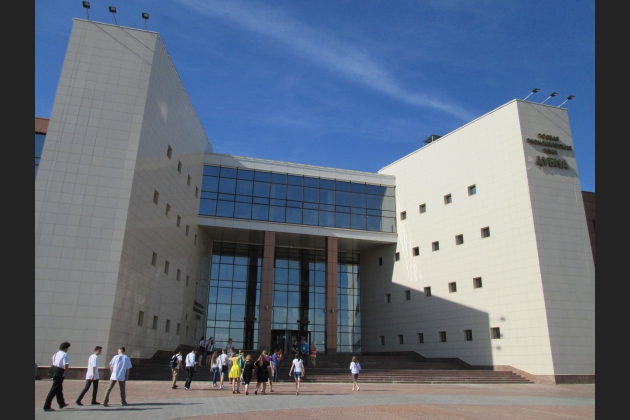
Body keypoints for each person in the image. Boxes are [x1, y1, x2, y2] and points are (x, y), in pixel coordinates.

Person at [43, 341, 71, 411]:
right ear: (65, 348)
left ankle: (61, 403)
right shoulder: (64, 355)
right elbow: (66, 365)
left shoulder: (55, 354)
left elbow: (54, 363)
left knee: (59, 388)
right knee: (54, 389)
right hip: (60, 373)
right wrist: (66, 373)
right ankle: (47, 406)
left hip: (54, 372)